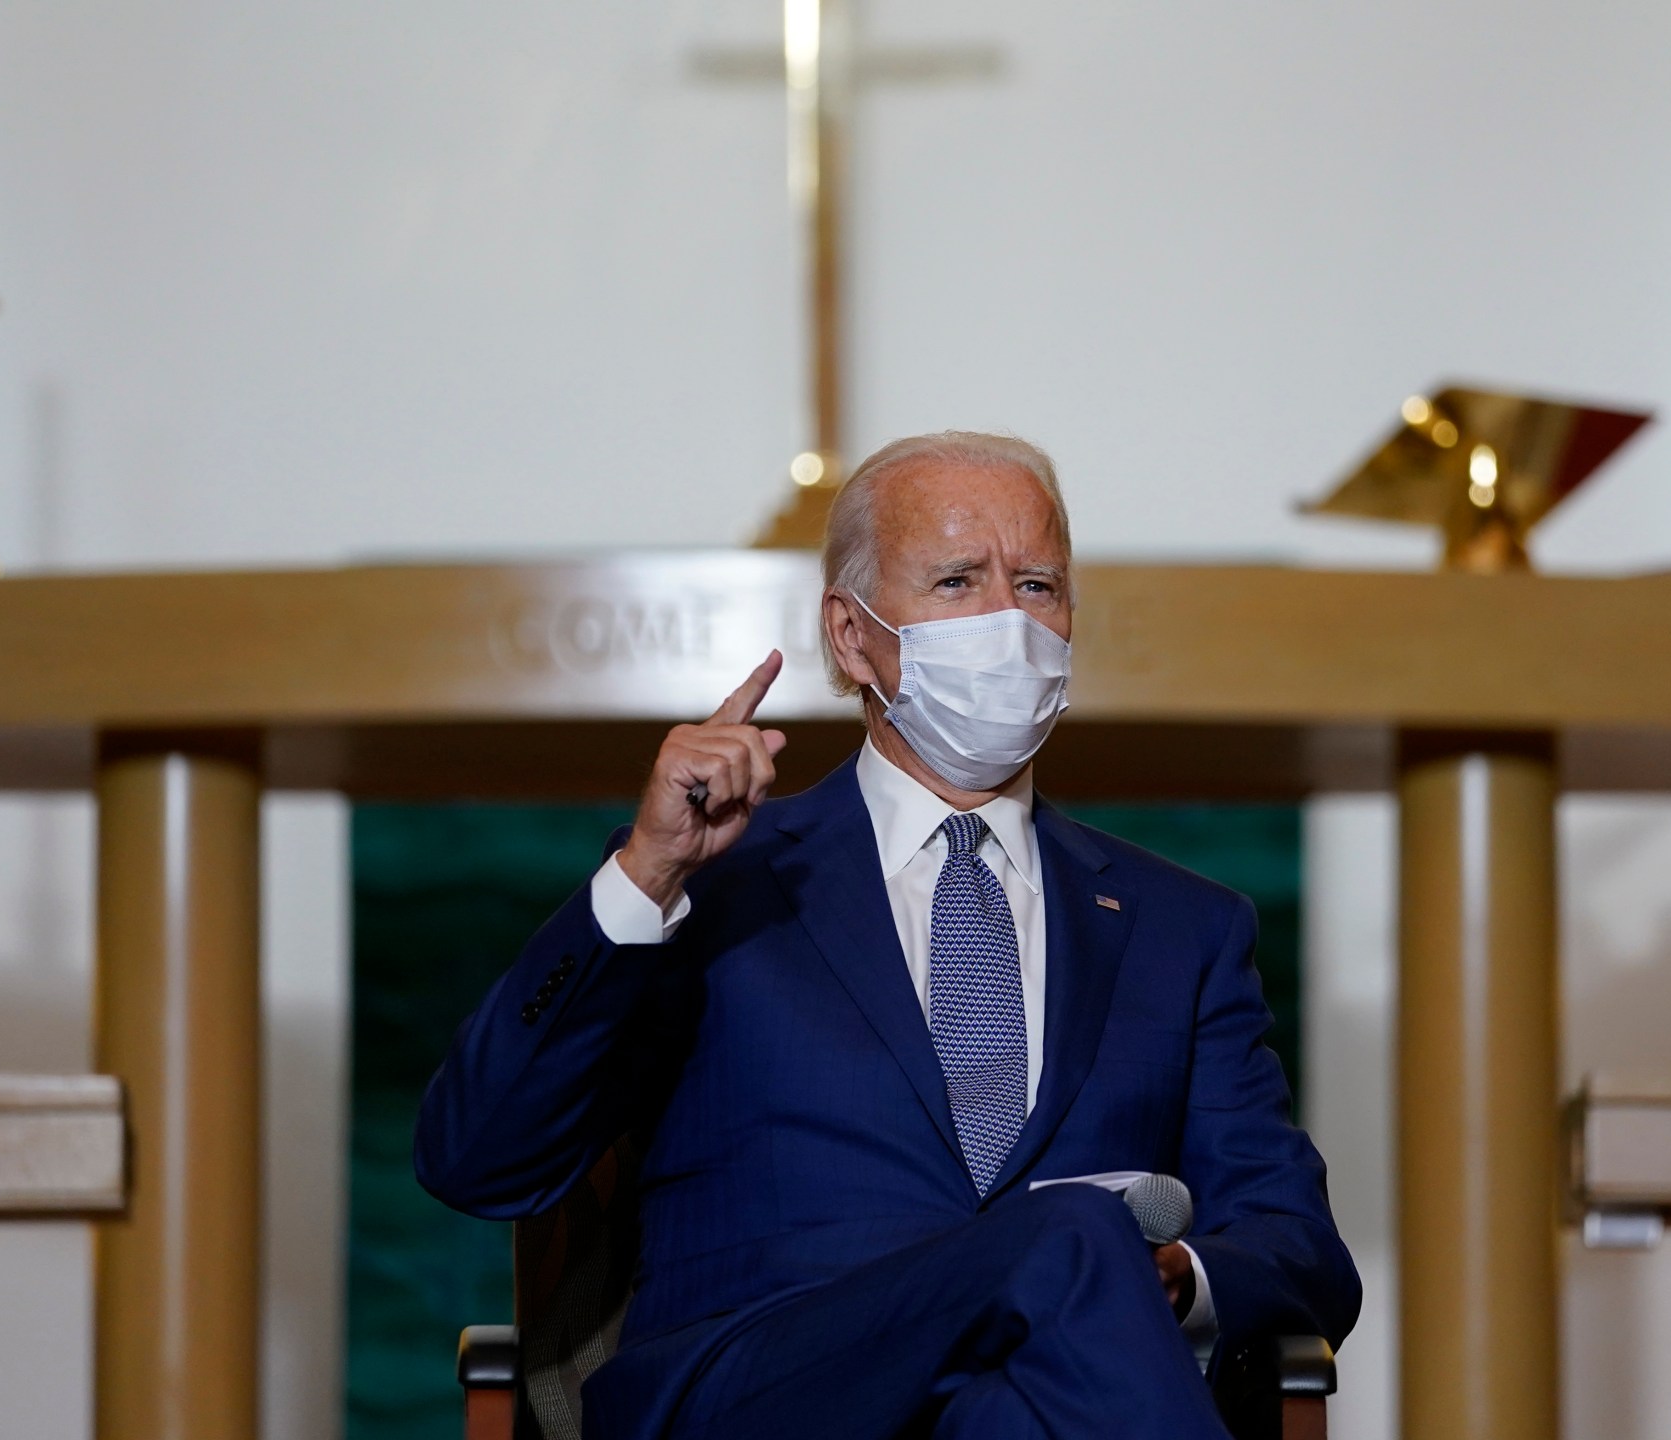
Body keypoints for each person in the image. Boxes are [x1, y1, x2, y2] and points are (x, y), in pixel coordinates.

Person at [417, 431, 1360, 1439]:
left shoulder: (1184, 929)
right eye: (958, 582)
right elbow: (476, 1158)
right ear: (852, 636)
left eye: (1037, 585)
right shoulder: (714, 880)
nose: (1008, 619)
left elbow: (1295, 1244)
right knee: (1076, 1235)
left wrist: (1168, 1279)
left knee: (1017, 1387)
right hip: (760, 1385)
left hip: (1038, 1398)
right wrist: (644, 873)